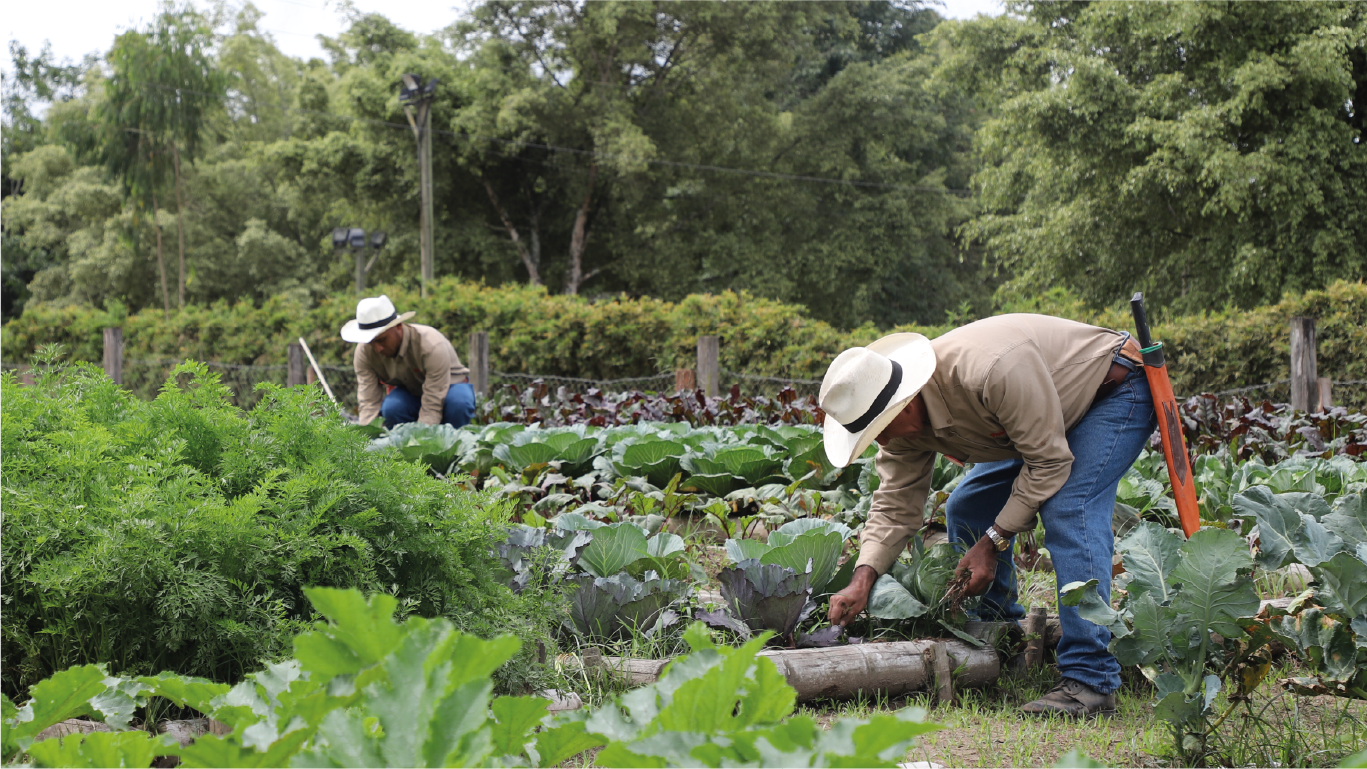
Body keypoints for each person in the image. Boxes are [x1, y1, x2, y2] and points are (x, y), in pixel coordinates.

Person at [821, 314, 1153, 718]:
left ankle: (1091, 681)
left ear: (904, 401)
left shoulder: (989, 372)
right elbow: (894, 504)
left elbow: (1049, 462)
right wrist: (862, 578)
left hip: (1111, 388)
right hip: (1040, 415)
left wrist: (992, 542)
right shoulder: (896, 429)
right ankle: (1003, 641)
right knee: (969, 507)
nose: (883, 440)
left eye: (881, 428)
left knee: (1070, 508)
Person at [341, 295, 476, 428]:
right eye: (371, 342)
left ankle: (458, 440)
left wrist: (422, 438)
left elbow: (432, 405)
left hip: (449, 386)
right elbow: (369, 403)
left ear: (399, 326)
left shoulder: (431, 345)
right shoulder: (364, 352)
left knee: (459, 404)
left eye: (382, 340)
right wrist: (365, 436)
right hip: (411, 391)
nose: (377, 349)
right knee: (393, 408)